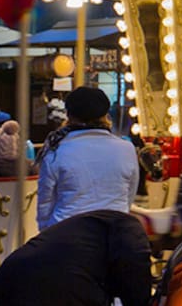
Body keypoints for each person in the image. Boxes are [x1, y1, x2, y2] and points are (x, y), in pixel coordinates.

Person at [0, 209, 151, 306]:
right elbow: (135, 275)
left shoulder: (98, 223)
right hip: (55, 286)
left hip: (6, 279)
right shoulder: (132, 228)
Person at [35, 87, 138, 230]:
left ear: (69, 115)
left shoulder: (55, 149)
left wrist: (45, 231)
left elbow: (45, 201)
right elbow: (129, 195)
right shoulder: (127, 149)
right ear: (105, 115)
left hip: (67, 230)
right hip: (114, 230)